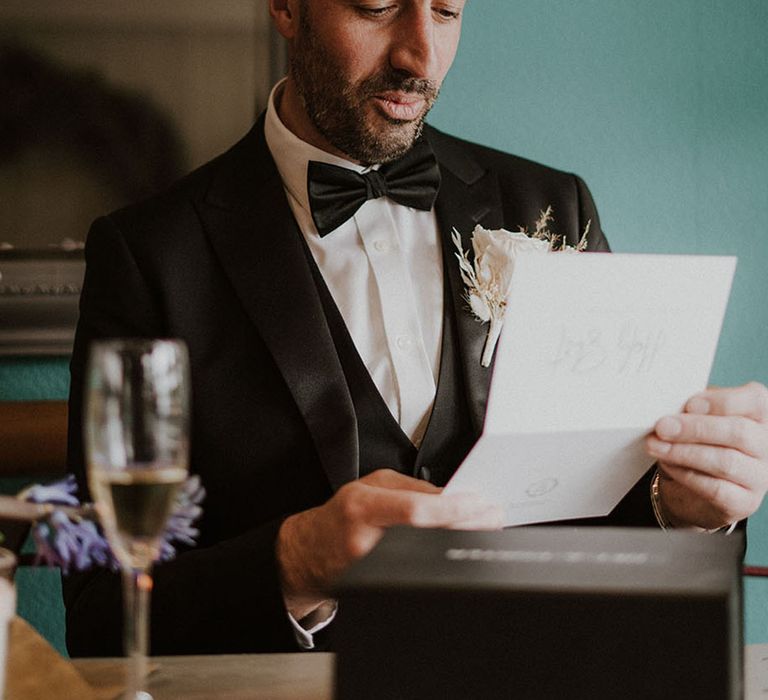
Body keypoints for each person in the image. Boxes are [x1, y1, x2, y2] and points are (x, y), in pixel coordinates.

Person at [64, 0, 768, 656]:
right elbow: (100, 613)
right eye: (376, 6)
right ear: (284, 6)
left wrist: (686, 507)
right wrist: (297, 560)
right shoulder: (151, 255)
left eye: (447, 9)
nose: (420, 55)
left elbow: (615, 515)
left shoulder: (553, 206)